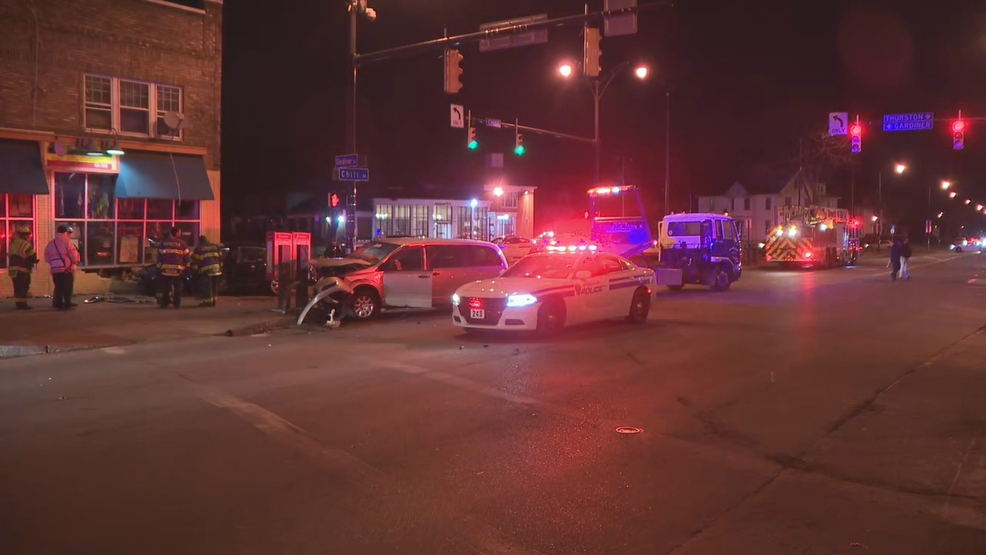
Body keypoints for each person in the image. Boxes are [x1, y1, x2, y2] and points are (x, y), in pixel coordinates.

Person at [44, 225, 81, 309]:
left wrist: (54, 264)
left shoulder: (50, 243)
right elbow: (74, 255)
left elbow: (47, 258)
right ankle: (67, 304)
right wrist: (75, 262)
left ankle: (58, 304)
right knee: (67, 287)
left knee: (58, 287)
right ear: (65, 232)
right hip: (66, 269)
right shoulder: (67, 241)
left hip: (55, 270)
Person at [157, 227, 190, 309]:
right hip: (178, 270)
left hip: (166, 269)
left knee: (166, 287)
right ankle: (176, 304)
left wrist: (159, 267)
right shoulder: (182, 243)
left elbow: (160, 256)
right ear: (177, 233)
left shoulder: (164, 243)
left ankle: (165, 303)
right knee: (178, 287)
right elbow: (186, 256)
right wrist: (188, 266)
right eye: (180, 232)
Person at [8, 226, 39, 310]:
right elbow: (32, 255)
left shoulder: (13, 243)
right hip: (22, 269)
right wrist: (34, 261)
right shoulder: (25, 244)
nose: (28, 237)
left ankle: (18, 303)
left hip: (12, 270)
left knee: (17, 287)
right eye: (27, 235)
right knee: (23, 287)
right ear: (24, 235)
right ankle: (23, 304)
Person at [191, 235, 222, 307]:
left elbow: (195, 260)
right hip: (217, 269)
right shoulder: (215, 246)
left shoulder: (199, 248)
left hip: (206, 270)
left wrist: (195, 271)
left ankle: (208, 302)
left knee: (206, 286)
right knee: (214, 286)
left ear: (200, 241)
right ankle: (214, 300)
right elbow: (220, 257)